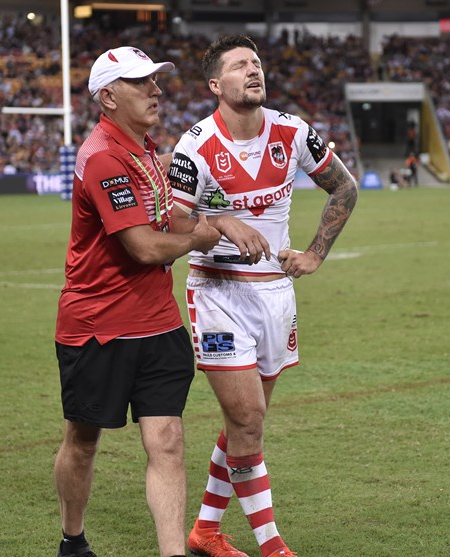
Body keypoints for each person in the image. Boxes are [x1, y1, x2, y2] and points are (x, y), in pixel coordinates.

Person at [167, 34, 358, 557]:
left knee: (243, 424)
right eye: (238, 66)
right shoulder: (195, 147)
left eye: (256, 63)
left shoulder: (292, 132)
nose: (253, 71)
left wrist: (316, 252)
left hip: (276, 295)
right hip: (218, 294)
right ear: (215, 85)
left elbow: (345, 187)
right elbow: (174, 221)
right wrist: (223, 223)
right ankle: (272, 547)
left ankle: (205, 531)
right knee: (248, 420)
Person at [53, 46, 225, 557]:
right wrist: (199, 239)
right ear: (108, 96)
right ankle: (73, 538)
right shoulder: (103, 156)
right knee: (83, 442)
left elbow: (167, 220)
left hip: (158, 325)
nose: (156, 89)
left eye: (156, 79)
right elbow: (145, 246)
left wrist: (213, 221)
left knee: (168, 441)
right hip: (97, 329)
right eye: (140, 82)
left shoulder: (146, 149)